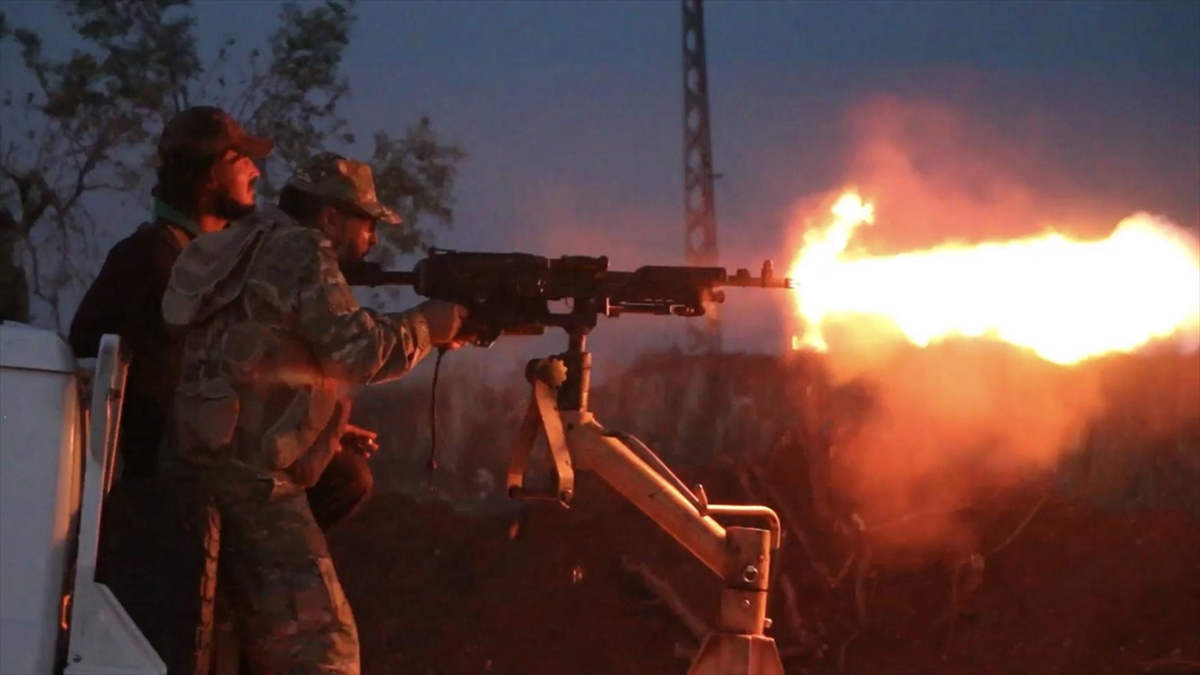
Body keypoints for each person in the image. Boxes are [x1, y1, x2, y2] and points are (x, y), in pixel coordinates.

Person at [162, 151, 471, 674]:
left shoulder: (243, 245)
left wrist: (323, 427)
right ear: (330, 216)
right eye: (367, 224)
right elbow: (355, 352)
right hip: (254, 484)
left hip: (202, 465)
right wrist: (428, 326)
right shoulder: (302, 249)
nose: (371, 239)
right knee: (323, 649)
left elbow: (261, 360)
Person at [67, 106, 373, 532]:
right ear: (210, 175)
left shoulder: (199, 260)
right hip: (171, 477)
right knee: (342, 479)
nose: (255, 172)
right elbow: (165, 404)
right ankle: (229, 585)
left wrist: (309, 423)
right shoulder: (156, 260)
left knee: (341, 472)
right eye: (240, 160)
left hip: (195, 454)